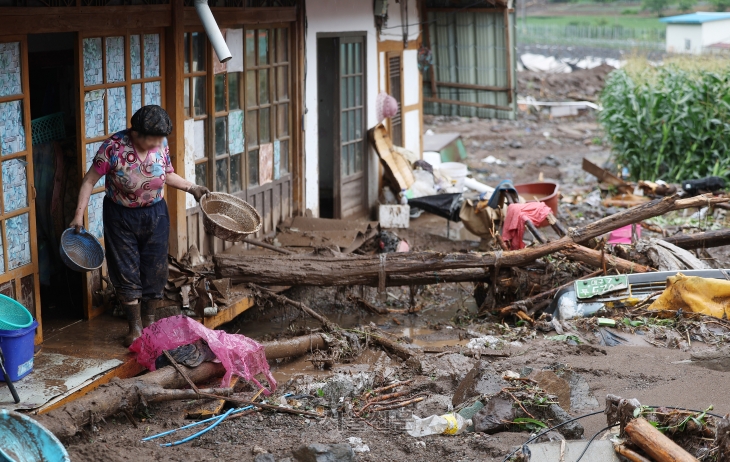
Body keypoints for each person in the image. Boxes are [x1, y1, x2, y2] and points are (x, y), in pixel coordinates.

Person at [70, 105, 209, 346]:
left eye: (160, 139)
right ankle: (134, 328)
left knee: (155, 268)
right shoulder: (113, 147)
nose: (157, 143)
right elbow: (89, 181)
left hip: (155, 214)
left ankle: (149, 323)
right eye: (153, 139)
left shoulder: (161, 145)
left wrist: (192, 188)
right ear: (136, 134)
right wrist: (78, 216)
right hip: (120, 216)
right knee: (125, 269)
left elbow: (168, 174)